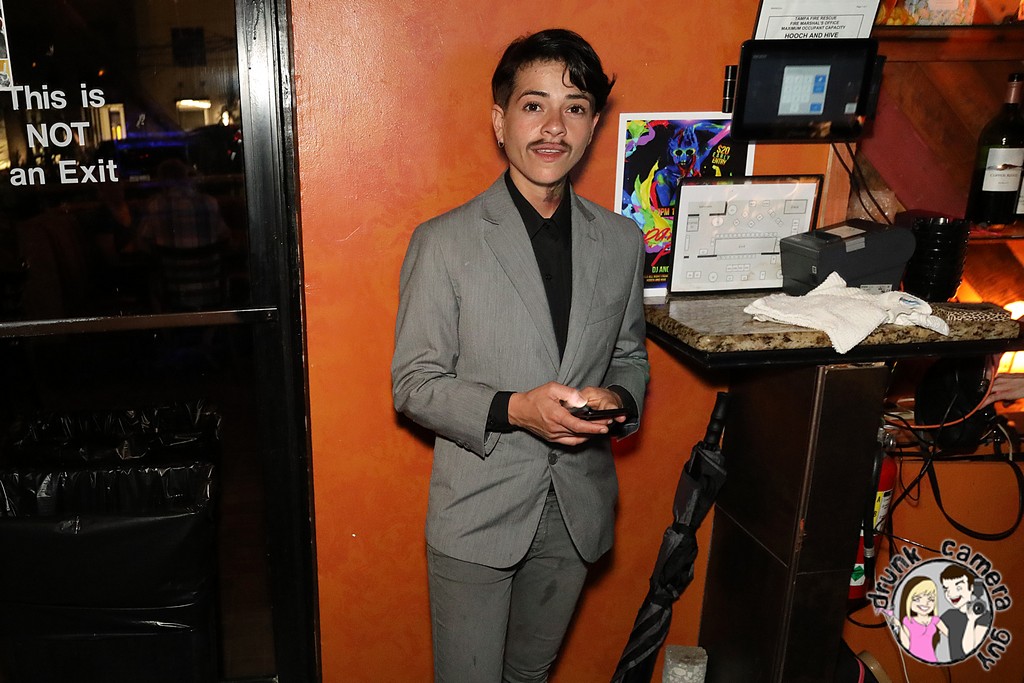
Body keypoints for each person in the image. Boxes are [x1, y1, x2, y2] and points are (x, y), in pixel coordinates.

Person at [391, 28, 649, 682]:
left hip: (576, 510)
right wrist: (515, 409)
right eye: (534, 105)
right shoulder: (443, 242)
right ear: (500, 121)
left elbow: (629, 357)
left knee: (530, 676)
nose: (554, 126)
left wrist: (617, 399)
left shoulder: (622, 241)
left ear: (593, 127)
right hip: (478, 511)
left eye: (575, 107)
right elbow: (414, 383)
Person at [887, 576, 948, 663]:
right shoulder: (908, 621)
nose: (925, 603)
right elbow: (906, 645)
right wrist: (899, 626)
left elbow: (951, 635)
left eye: (931, 599)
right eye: (917, 599)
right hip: (913, 660)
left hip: (932, 659)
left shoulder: (935, 620)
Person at [939, 565, 992, 661]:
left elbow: (969, 650)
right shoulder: (949, 615)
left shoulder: (984, 616)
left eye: (958, 588)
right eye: (946, 589)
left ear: (971, 587)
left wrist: (971, 620)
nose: (951, 594)